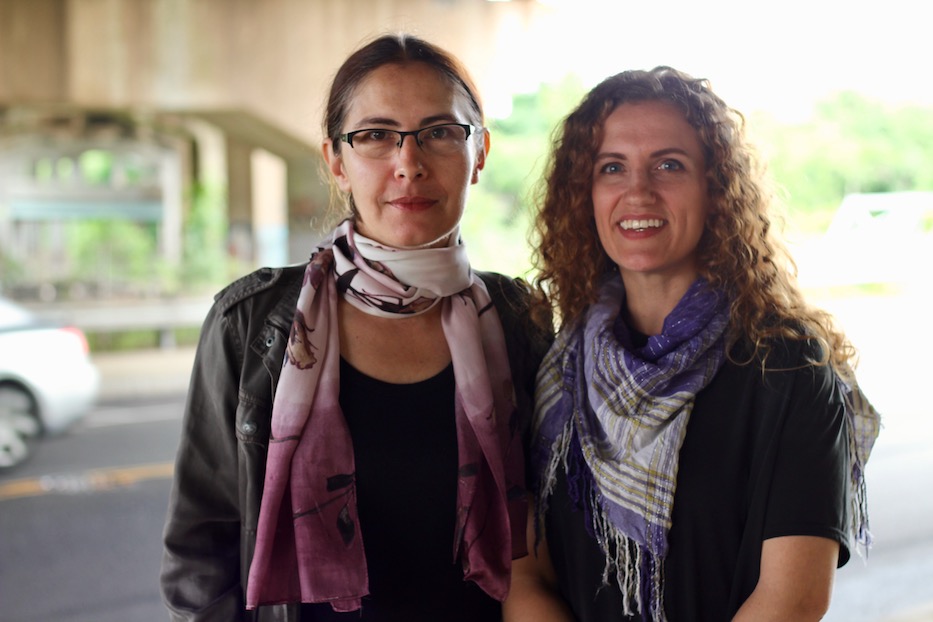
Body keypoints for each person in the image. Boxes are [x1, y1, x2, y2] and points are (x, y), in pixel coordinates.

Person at [160, 33, 551, 621]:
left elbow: (552, 540)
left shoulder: (519, 321)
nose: (409, 164)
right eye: (375, 136)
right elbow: (200, 555)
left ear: (481, 154)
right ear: (336, 162)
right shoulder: (252, 324)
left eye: (440, 132)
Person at [503, 67, 881, 621]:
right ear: (584, 195)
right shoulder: (559, 370)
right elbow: (527, 576)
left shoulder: (789, 369)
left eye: (669, 165)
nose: (638, 190)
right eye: (612, 167)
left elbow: (791, 601)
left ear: (716, 189)